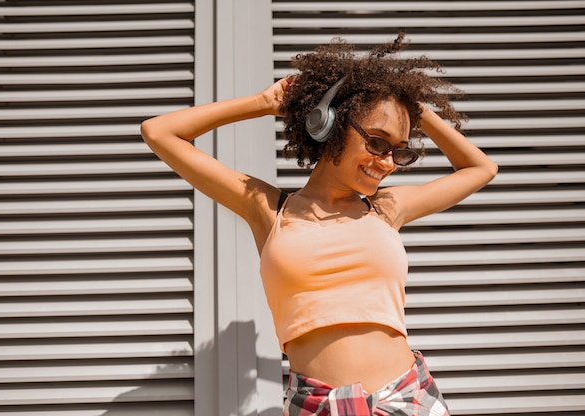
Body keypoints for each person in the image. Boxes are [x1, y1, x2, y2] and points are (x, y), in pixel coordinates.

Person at [141, 34, 498, 416]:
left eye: (401, 150)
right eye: (377, 143)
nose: (389, 161)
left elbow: (482, 168)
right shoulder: (268, 209)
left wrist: (410, 106)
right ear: (329, 125)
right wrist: (262, 104)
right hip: (317, 405)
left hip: (407, 399)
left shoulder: (387, 208)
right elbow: (159, 131)